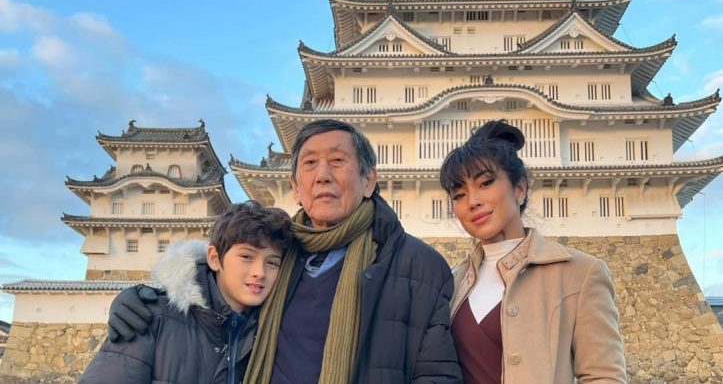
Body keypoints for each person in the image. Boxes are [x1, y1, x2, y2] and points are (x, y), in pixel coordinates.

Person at [106, 119, 462, 384]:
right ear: (295, 186)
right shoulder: (278, 253)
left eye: (338, 161)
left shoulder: (418, 266)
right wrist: (151, 299)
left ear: (369, 180)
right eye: (309, 163)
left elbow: (437, 375)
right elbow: (216, 294)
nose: (322, 175)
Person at [440, 120, 627, 383]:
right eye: (459, 195)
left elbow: (603, 375)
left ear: (520, 188)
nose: (473, 202)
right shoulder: (452, 282)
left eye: (485, 183)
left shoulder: (580, 273)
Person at [80, 200, 293, 384]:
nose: (260, 272)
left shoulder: (269, 332)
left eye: (272, 263)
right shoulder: (150, 317)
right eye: (246, 257)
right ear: (214, 258)